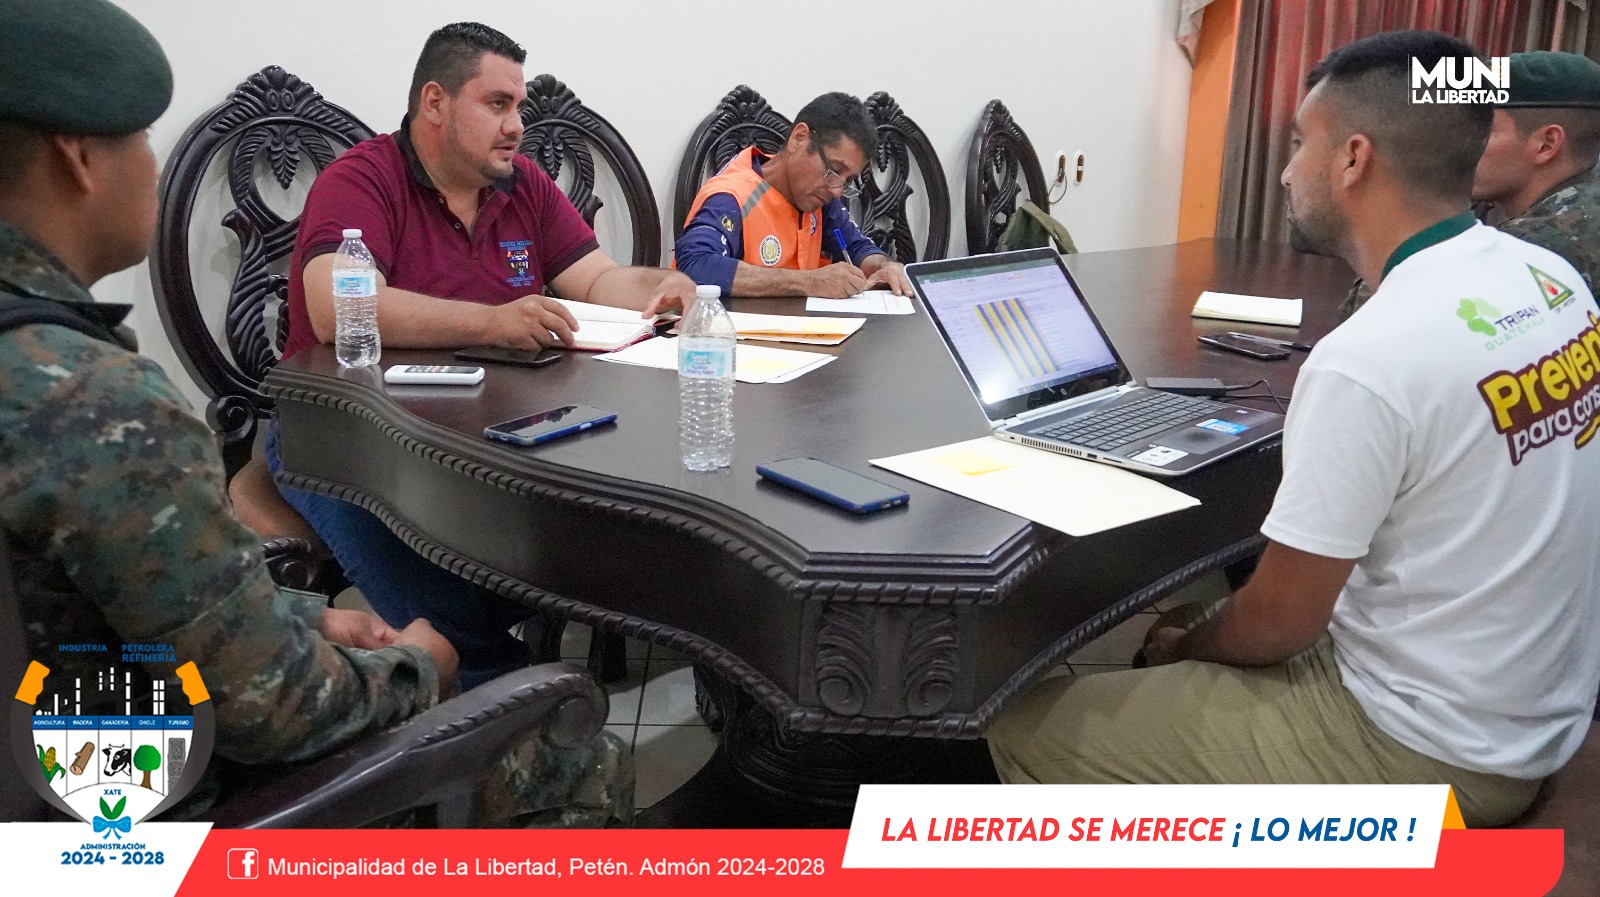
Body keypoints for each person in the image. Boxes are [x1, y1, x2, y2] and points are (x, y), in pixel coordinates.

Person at [0, 0, 629, 825]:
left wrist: (309, 618)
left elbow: (171, 618)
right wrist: (419, 665)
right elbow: (271, 704)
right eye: (143, 141)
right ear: (79, 160)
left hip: (64, 770)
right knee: (561, 732)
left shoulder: (47, 367)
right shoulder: (101, 406)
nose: (149, 166)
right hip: (146, 812)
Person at [987, 30, 1600, 828]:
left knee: (1023, 726)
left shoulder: (1370, 357)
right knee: (1201, 598)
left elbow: (1278, 624)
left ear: (1353, 159)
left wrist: (1185, 647)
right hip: (1531, 706)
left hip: (1429, 749)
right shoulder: (1550, 279)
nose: (1285, 171)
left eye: (1300, 143)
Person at [274, 22, 696, 688]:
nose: (517, 125)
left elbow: (597, 279)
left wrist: (663, 287)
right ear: (435, 103)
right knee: (448, 609)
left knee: (612, 524)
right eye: (497, 104)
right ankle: (503, 706)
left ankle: (521, 684)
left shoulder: (522, 184)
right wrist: (494, 321)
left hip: (487, 432)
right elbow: (335, 309)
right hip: (344, 437)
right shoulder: (361, 179)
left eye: (518, 106)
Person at [1341, 50, 1600, 319]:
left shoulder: (1534, 248)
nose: (1455, 146)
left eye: (1480, 131)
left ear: (1546, 144)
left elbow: (1374, 320)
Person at [675, 92, 913, 299]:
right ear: (799, 138)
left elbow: (856, 246)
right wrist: (810, 282)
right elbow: (696, 265)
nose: (837, 190)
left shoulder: (820, 198)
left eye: (848, 181)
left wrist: (885, 266)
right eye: (833, 170)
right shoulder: (732, 197)